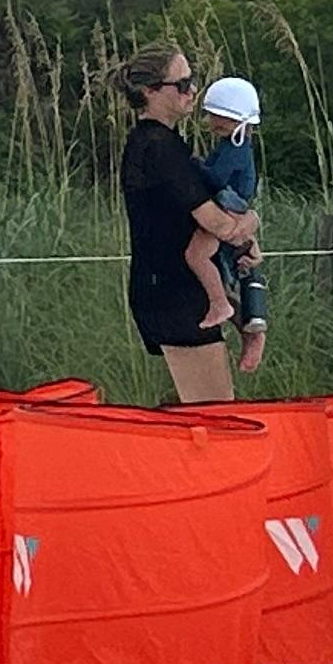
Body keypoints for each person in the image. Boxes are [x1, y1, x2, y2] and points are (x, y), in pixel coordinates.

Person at [113, 48, 260, 403]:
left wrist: (241, 235)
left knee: (204, 409)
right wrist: (250, 222)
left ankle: (245, 322)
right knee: (213, 412)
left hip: (175, 290)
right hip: (173, 294)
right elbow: (216, 222)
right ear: (150, 91)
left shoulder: (165, 145)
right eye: (181, 84)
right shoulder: (157, 148)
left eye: (191, 82)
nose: (192, 91)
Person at [192, 73, 271, 372]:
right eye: (213, 115)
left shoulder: (235, 151)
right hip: (229, 206)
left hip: (228, 206)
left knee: (197, 256)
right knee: (226, 266)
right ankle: (247, 324)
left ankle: (220, 304)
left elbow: (215, 179)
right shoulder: (232, 147)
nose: (214, 122)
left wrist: (191, 166)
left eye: (221, 117)